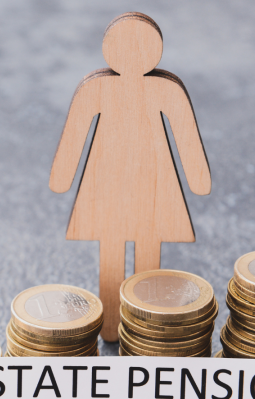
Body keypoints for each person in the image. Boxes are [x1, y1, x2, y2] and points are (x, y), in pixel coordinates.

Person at [49, 12, 211, 341]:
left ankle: (136, 331)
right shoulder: (99, 89)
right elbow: (74, 136)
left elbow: (186, 138)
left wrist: (62, 179)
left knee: (139, 248)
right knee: (119, 249)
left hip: (135, 182)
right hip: (120, 183)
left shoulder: (163, 89)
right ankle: (116, 328)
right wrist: (198, 180)